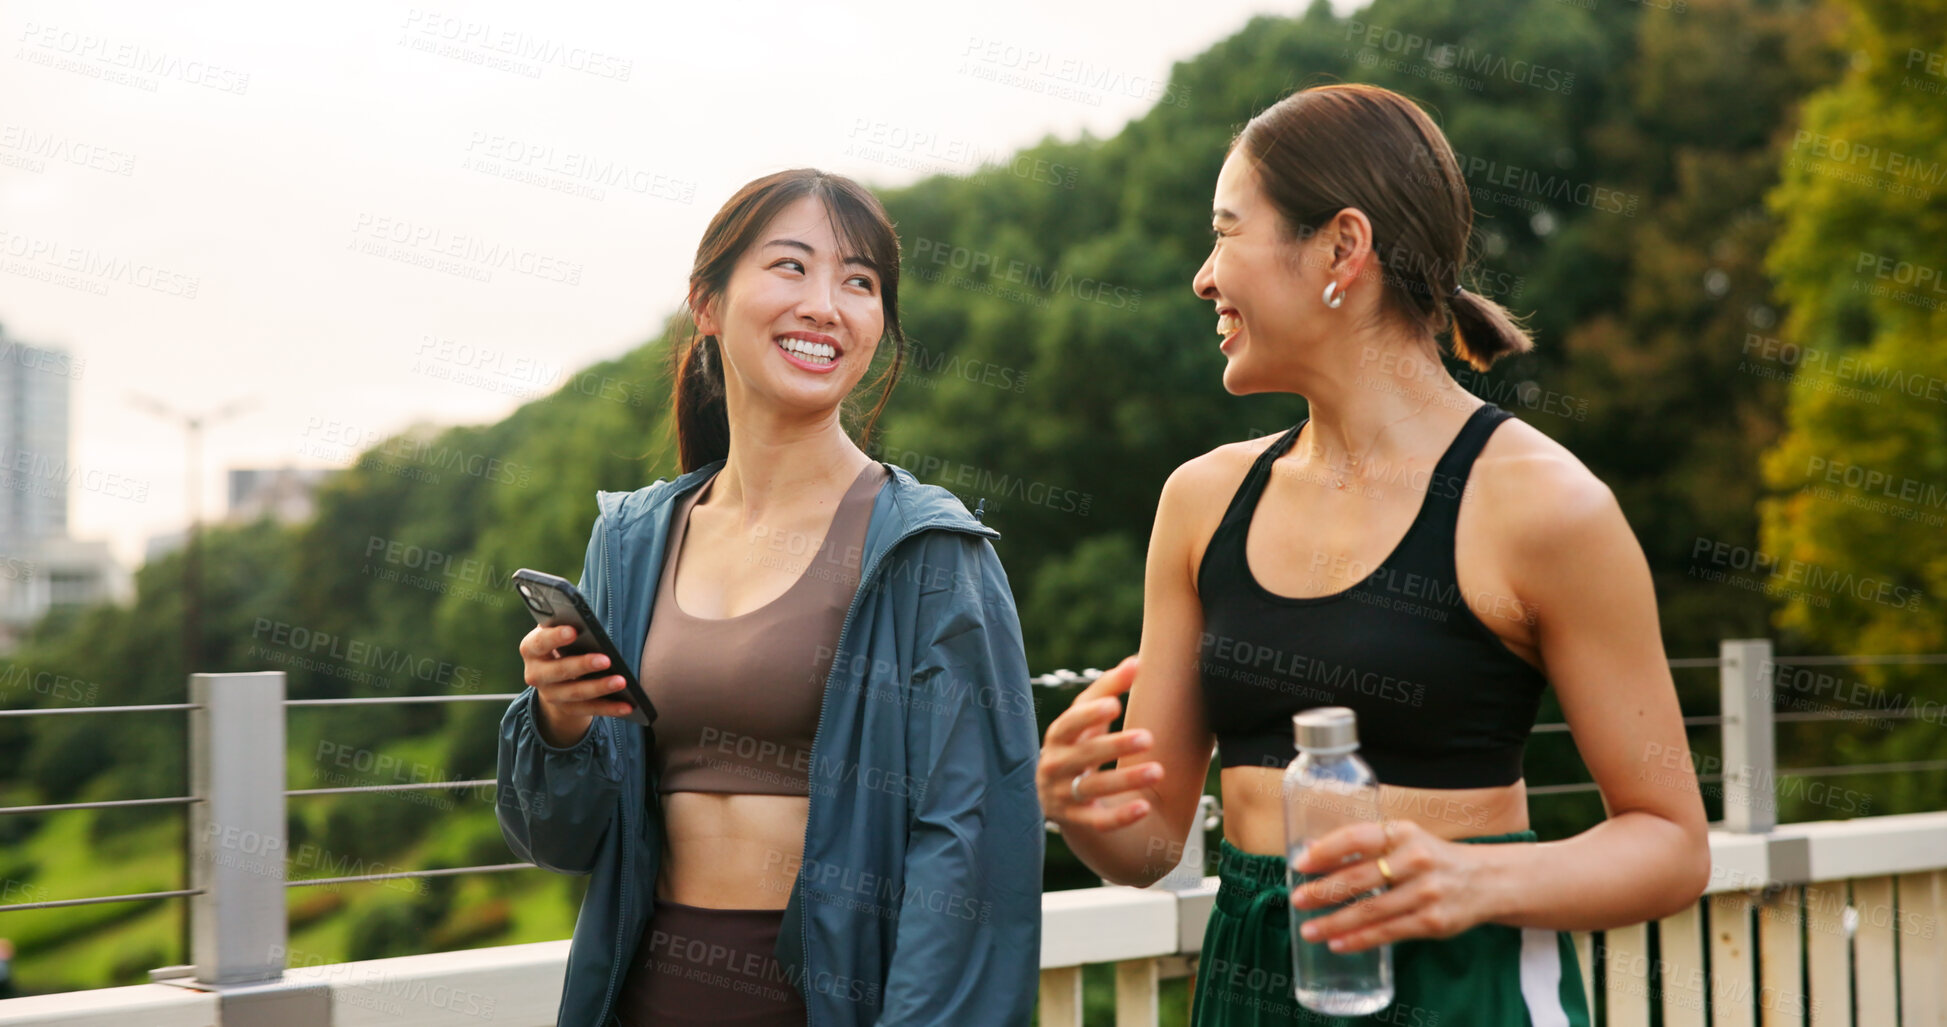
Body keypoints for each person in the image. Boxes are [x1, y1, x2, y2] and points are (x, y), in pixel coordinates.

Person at [1036, 84, 1711, 1026]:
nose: (1201, 276)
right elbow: (1150, 849)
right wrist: (1078, 807)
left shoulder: (1544, 506)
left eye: (1225, 233)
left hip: (1462, 994)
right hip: (1248, 988)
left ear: (1340, 249)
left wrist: (1477, 883)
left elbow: (1672, 844)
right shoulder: (1201, 501)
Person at [496, 168, 1044, 1027]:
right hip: (647, 992)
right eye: (790, 266)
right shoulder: (633, 539)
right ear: (706, 303)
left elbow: (969, 848)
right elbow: (562, 840)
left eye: (858, 282)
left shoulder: (929, 551)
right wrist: (559, 724)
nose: (825, 304)